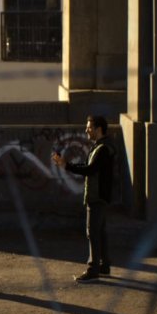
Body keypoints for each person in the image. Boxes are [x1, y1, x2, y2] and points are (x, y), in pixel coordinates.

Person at [52, 115, 116, 283]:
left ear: (98, 129)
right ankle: (104, 266)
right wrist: (66, 165)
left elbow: (89, 169)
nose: (86, 130)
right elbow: (87, 167)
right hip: (99, 195)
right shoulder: (100, 147)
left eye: (89, 127)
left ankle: (93, 269)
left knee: (93, 232)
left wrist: (67, 166)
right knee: (100, 232)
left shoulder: (103, 149)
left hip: (97, 196)